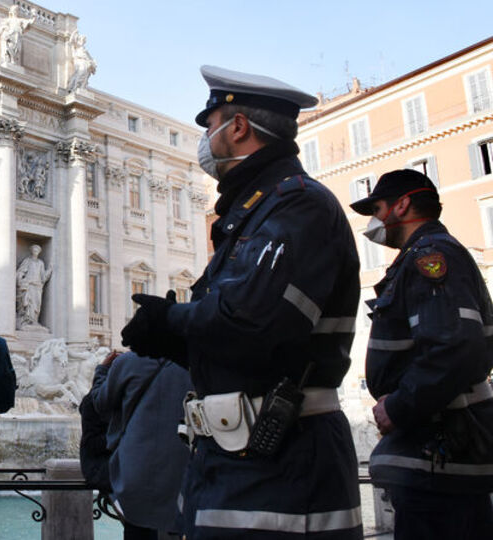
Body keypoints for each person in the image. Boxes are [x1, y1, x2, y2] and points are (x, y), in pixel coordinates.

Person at [121, 65, 363, 538]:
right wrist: (172, 341)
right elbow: (246, 339)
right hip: (235, 460)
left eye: (209, 126)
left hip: (283, 467)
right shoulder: (253, 210)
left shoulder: (297, 204)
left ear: (237, 128)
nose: (205, 137)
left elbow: (254, 321)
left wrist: (172, 318)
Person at [350, 169, 493, 539]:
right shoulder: (420, 256)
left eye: (378, 208)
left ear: (402, 205)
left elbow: (453, 348)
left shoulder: (430, 257)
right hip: (435, 459)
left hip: (439, 460)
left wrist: (396, 408)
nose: (375, 221)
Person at [88, 350, 192, 539]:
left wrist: (102, 370)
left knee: (138, 529)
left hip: (136, 466)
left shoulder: (128, 362)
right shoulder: (195, 362)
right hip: (182, 465)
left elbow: (99, 402)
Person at [15, 244, 52, 328]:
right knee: (28, 303)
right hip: (29, 285)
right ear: (31, 251)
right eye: (34, 250)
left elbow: (43, 277)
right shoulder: (27, 261)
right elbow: (20, 271)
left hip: (37, 286)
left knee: (36, 305)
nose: (35, 252)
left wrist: (49, 270)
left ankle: (34, 321)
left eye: (37, 251)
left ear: (39, 252)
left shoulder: (40, 263)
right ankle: (26, 321)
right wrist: (20, 279)